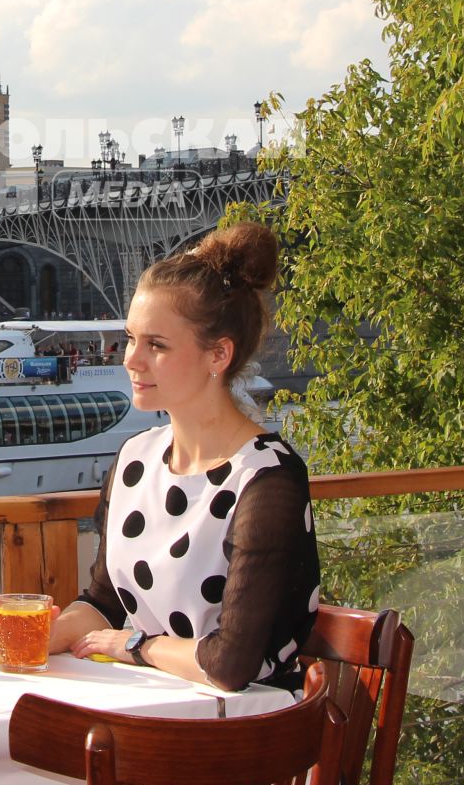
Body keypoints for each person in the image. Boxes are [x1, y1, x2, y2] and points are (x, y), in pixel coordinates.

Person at [36, 222, 320, 693]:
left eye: (157, 345)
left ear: (218, 355)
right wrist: (46, 632)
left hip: (248, 735)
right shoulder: (134, 460)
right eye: (130, 339)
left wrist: (135, 646)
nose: (130, 359)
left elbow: (231, 663)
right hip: (151, 710)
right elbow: (105, 602)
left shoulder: (268, 480)